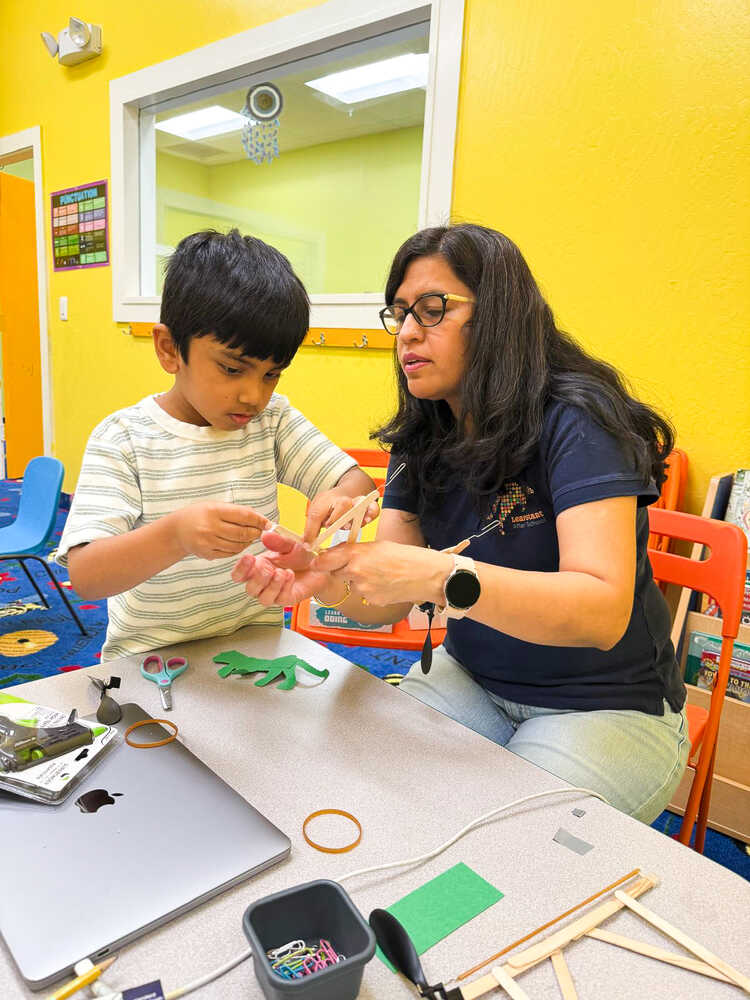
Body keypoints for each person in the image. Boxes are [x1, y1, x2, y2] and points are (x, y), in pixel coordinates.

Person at [233, 223, 689, 824]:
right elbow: (385, 607)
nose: (408, 333)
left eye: (433, 309)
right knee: (354, 788)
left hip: (603, 704)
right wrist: (327, 578)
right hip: (472, 677)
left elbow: (600, 615)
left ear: (499, 314)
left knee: (503, 843)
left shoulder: (579, 420)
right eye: (400, 314)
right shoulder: (423, 434)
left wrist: (439, 575)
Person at [57, 229, 377, 661]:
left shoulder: (271, 420)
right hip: (152, 660)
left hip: (255, 649)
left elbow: (355, 481)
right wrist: (175, 535)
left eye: (271, 374)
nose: (253, 395)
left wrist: (341, 498)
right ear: (169, 350)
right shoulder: (124, 439)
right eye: (231, 369)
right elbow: (86, 576)